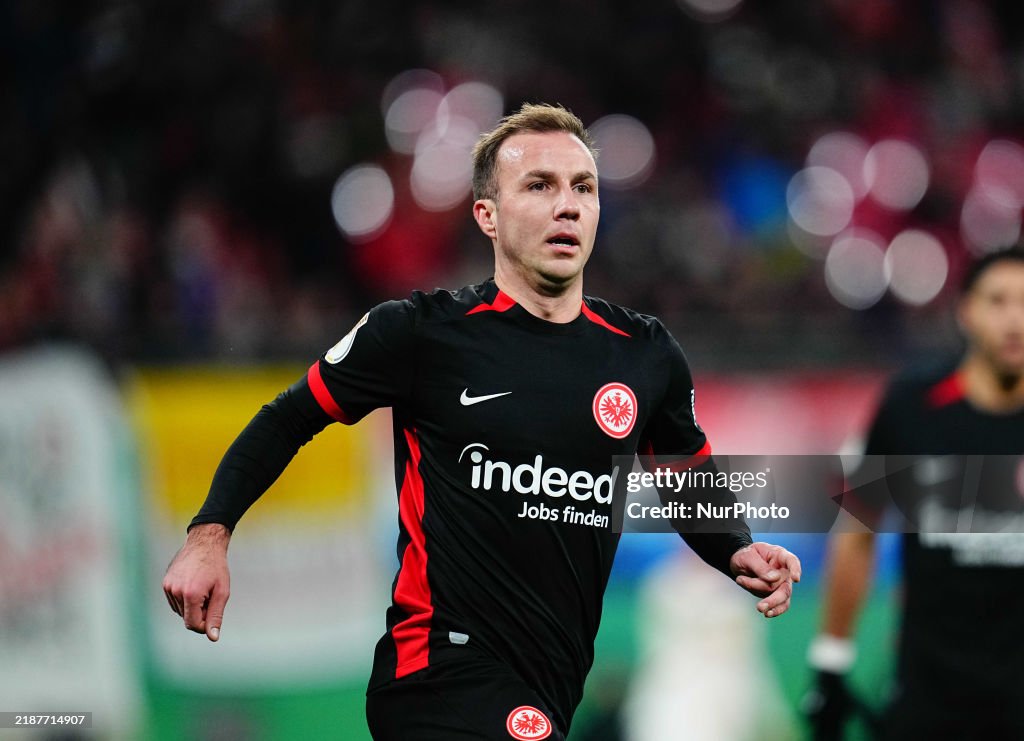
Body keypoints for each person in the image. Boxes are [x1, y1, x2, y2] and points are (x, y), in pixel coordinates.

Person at [163, 102, 801, 740]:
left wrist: (739, 550)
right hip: (436, 672)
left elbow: (688, 478)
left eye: (583, 187)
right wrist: (208, 536)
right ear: (487, 216)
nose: (568, 205)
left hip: (549, 683)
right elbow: (288, 417)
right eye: (539, 186)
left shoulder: (643, 353)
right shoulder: (420, 333)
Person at [805, 247, 1024, 740]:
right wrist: (831, 662)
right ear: (966, 311)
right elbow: (857, 529)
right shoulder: (910, 407)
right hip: (930, 696)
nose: (1015, 320)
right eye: (999, 301)